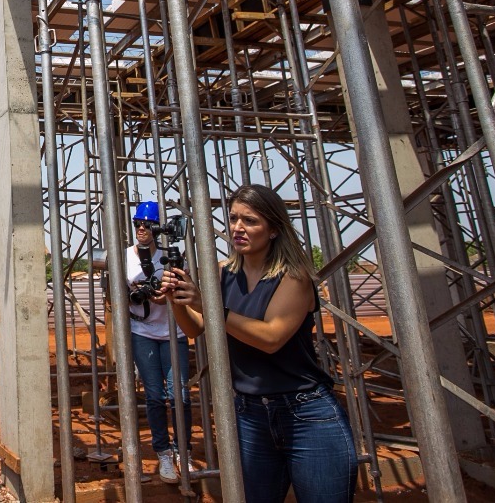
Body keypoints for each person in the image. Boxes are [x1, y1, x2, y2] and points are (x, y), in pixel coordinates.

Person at [162, 183, 356, 503]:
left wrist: (208, 304)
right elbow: (197, 328)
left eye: (250, 220)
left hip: (306, 414)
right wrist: (178, 301)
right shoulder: (221, 273)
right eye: (234, 218)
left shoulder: (294, 277)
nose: (238, 227)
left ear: (274, 228)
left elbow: (271, 338)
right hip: (250, 415)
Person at [125, 201, 190, 484]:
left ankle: (182, 450)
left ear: (157, 227)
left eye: (147, 224)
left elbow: (187, 290)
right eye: (138, 223)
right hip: (143, 332)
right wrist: (138, 294)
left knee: (181, 395)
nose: (141, 228)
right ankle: (163, 451)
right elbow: (114, 297)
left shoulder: (173, 256)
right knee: (154, 395)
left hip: (174, 332)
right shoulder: (125, 257)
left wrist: (168, 294)